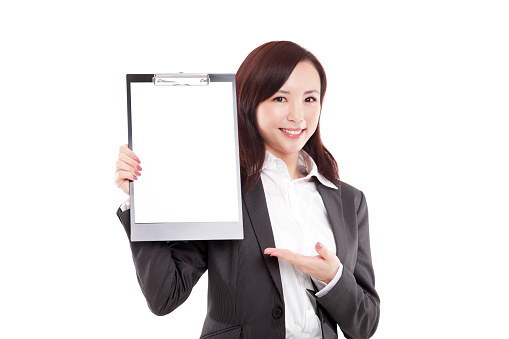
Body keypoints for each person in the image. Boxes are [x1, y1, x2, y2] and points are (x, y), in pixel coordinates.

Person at [114, 41, 380, 339]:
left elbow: (365, 324)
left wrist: (332, 278)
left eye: (310, 99)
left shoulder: (348, 200)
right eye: (280, 98)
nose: (297, 115)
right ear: (249, 102)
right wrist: (142, 200)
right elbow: (165, 295)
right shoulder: (221, 188)